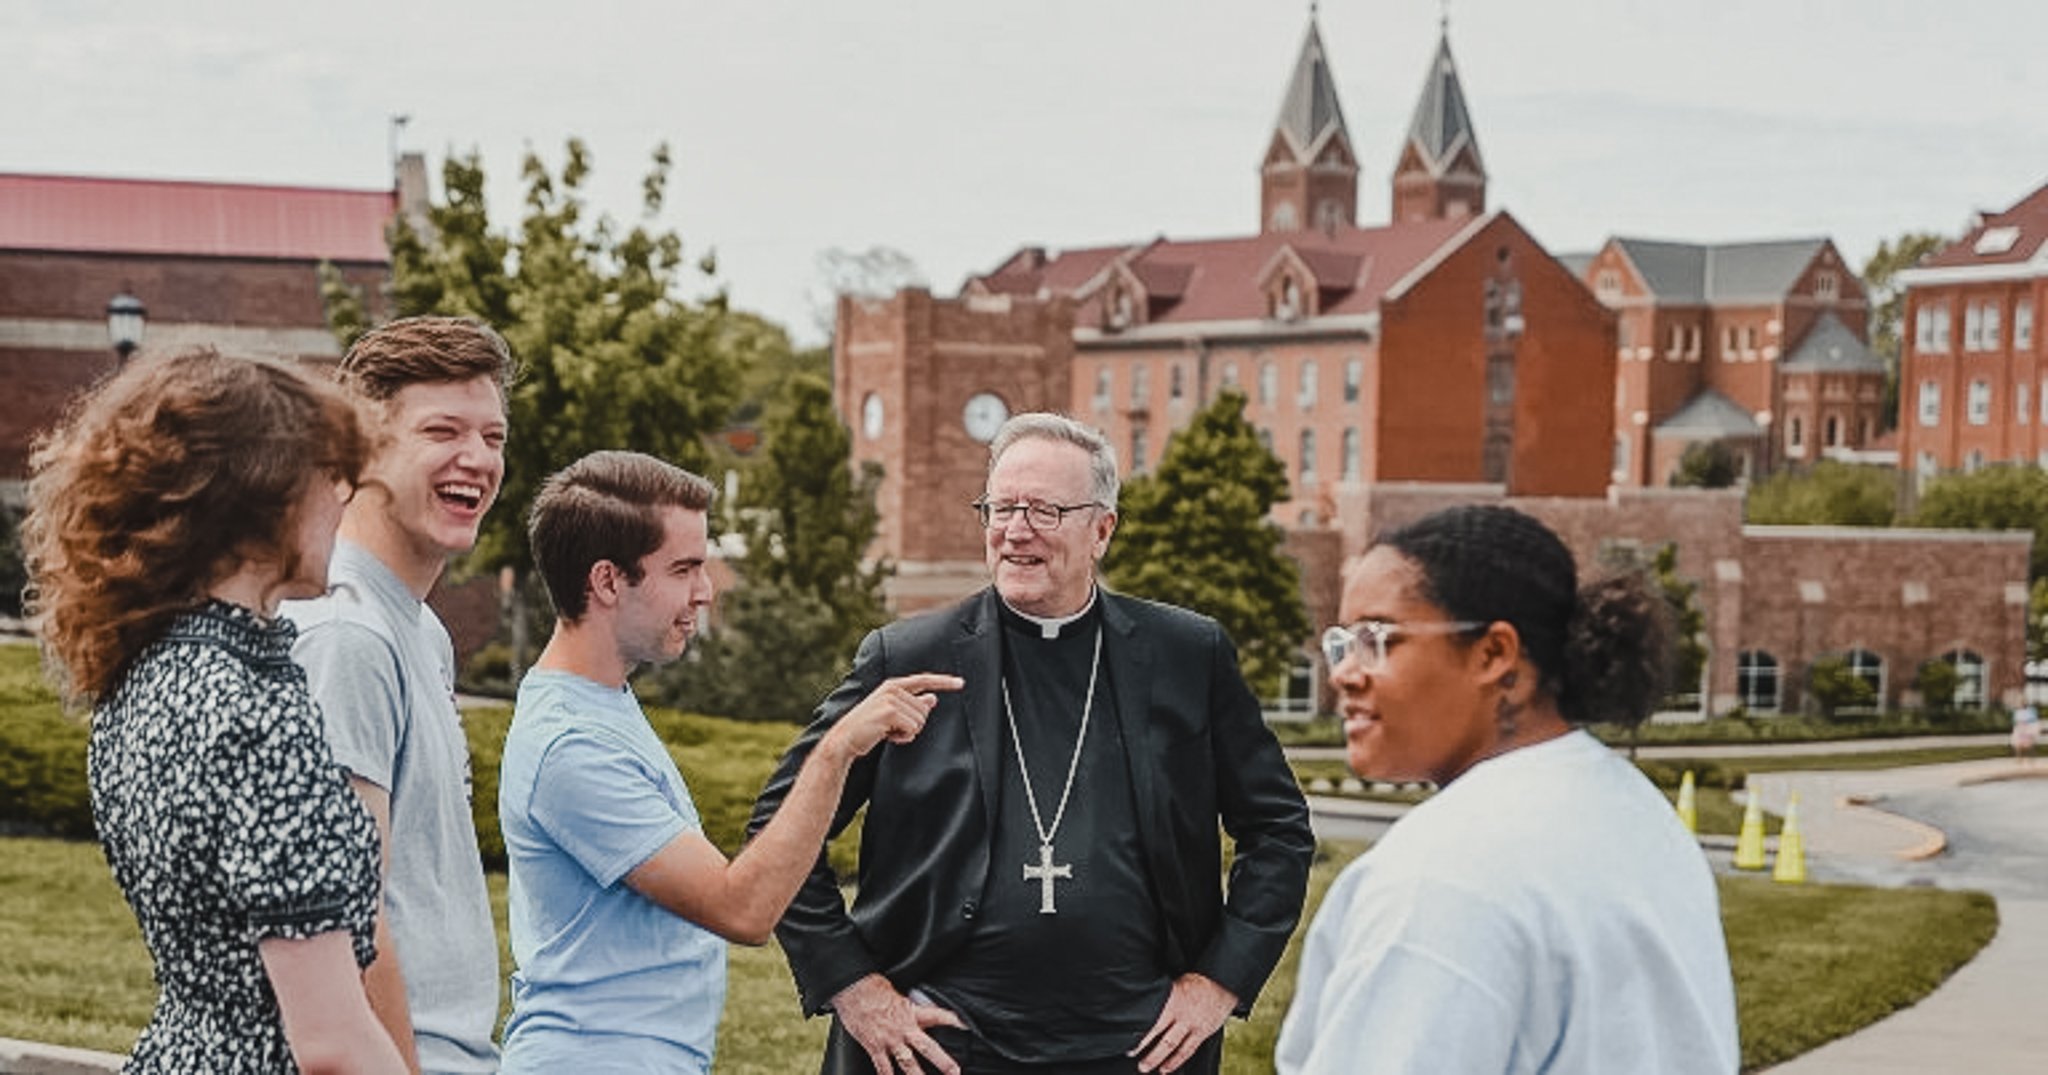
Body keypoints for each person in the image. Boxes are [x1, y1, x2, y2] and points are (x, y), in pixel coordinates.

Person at [750, 412, 1316, 1075]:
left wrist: (1219, 980)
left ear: (1102, 529)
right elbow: (781, 826)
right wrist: (853, 985)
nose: (1016, 530)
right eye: (1001, 507)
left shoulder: (1188, 655)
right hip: (940, 1044)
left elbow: (1277, 829)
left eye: (1045, 510)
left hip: (1140, 1047)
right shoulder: (907, 657)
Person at [495, 451, 956, 1072]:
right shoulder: (571, 746)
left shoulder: (599, 703)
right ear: (607, 582)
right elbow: (742, 909)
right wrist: (838, 749)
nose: (706, 591)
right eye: (683, 569)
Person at [22, 348, 406, 1073]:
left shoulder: (144, 674)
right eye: (328, 475)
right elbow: (332, 1044)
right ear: (260, 496)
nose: (344, 498)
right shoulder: (253, 711)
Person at [1275, 504, 1739, 1074]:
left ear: (1494, 654)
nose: (1343, 673)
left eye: (1378, 638)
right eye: (1342, 642)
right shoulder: (1639, 814)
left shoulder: (1443, 878)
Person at [281, 315, 514, 1074]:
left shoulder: (419, 631)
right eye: (442, 431)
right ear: (364, 447)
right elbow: (347, 917)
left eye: (493, 437)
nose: (478, 459)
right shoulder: (346, 636)